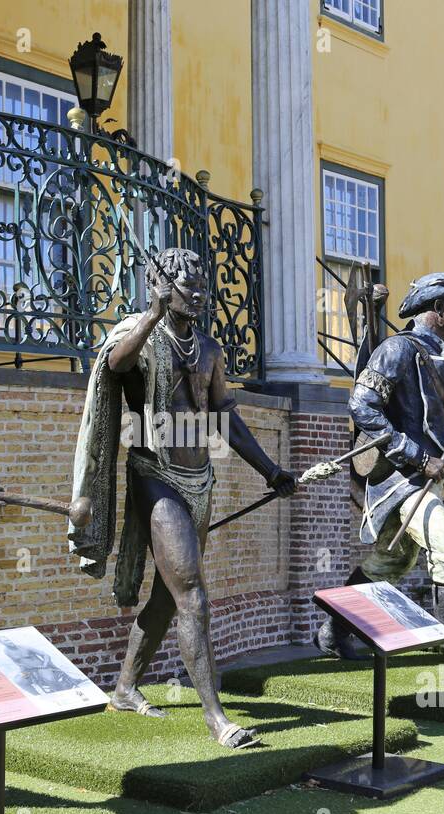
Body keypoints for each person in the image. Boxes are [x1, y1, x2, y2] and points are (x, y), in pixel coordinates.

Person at [69, 248, 297, 748]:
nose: (198, 295)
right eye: (186, 287)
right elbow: (114, 363)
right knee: (192, 595)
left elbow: (225, 420)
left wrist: (270, 470)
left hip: (201, 481)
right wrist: (150, 314)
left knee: (167, 597)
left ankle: (125, 688)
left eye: (203, 288)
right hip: (155, 474)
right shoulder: (141, 335)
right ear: (159, 285)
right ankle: (217, 718)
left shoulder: (211, 350)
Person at [316, 271, 444, 686]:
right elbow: (363, 406)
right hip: (402, 479)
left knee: (392, 560)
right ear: (435, 308)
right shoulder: (396, 350)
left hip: (427, 479)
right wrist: (417, 456)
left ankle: (335, 630)